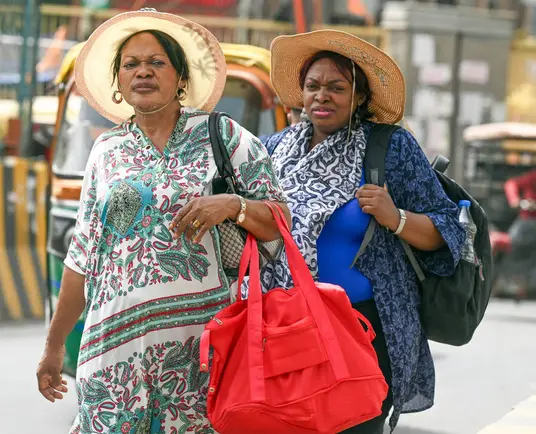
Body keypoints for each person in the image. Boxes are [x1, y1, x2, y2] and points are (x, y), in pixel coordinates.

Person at [36, 9, 289, 434]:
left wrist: (231, 205)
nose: (143, 72)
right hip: (111, 346)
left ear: (181, 77)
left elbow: (279, 221)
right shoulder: (105, 151)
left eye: (157, 62)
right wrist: (54, 346)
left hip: (199, 350)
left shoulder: (223, 136)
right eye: (131, 64)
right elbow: (82, 258)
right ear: (118, 83)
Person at [265, 30, 466, 432]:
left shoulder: (389, 148)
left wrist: (396, 218)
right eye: (313, 86)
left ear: (359, 96)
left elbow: (450, 231)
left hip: (364, 332)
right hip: (285, 329)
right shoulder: (272, 150)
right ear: (300, 94)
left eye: (337, 87)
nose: (323, 96)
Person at [503, 170, 536, 295]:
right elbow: (511, 184)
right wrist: (515, 201)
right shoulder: (533, 177)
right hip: (526, 222)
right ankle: (512, 282)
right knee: (513, 246)